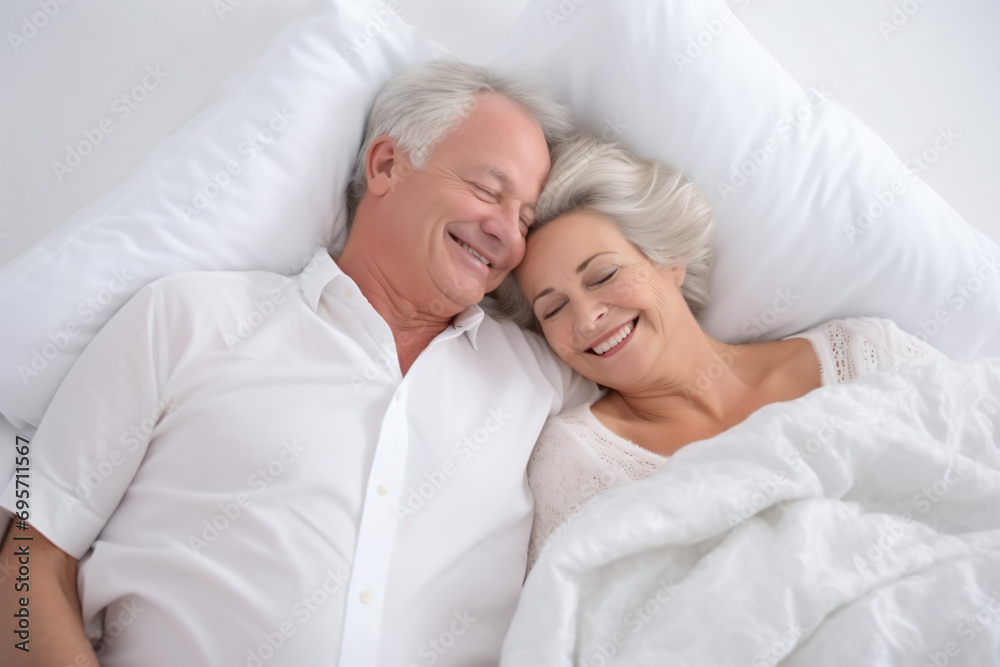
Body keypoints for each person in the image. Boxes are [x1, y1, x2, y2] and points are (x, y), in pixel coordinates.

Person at [0, 61, 599, 666]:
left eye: (526, 218)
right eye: (487, 191)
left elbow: (680, 425)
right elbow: (26, 559)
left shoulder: (545, 378)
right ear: (387, 165)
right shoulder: (187, 319)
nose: (510, 237)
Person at [492, 132, 949, 571]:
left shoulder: (866, 356)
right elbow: (564, 626)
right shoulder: (575, 462)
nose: (587, 317)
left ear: (669, 259)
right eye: (553, 309)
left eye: (603, 276)